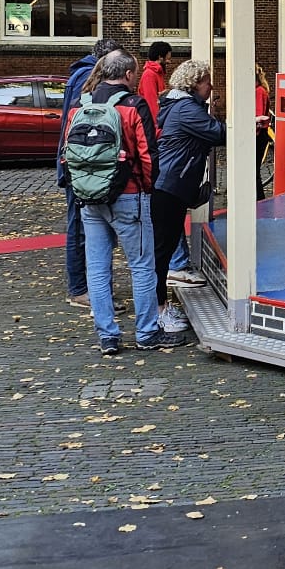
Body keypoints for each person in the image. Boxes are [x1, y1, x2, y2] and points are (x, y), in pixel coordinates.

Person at [73, 49, 187, 355]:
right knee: (141, 266)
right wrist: (147, 188)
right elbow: (148, 154)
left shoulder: (80, 105)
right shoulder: (133, 105)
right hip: (129, 196)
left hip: (89, 197)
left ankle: (107, 335)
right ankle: (147, 333)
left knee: (97, 269)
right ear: (127, 75)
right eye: (134, 73)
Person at [152, 59, 225, 334]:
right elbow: (217, 133)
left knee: (163, 249)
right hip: (170, 186)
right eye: (207, 81)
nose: (211, 87)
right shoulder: (186, 109)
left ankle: (157, 307)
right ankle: (158, 310)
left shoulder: (181, 106)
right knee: (162, 252)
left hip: (171, 186)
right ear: (195, 84)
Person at [59, 38, 120, 309]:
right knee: (80, 228)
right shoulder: (87, 77)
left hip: (77, 162)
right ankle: (81, 289)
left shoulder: (79, 74)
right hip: (83, 164)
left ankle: (88, 288)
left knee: (83, 226)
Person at [138, 40, 173, 118]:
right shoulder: (149, 75)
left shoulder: (157, 73)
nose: (169, 62)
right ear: (160, 57)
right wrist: (158, 126)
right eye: (168, 58)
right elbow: (152, 104)